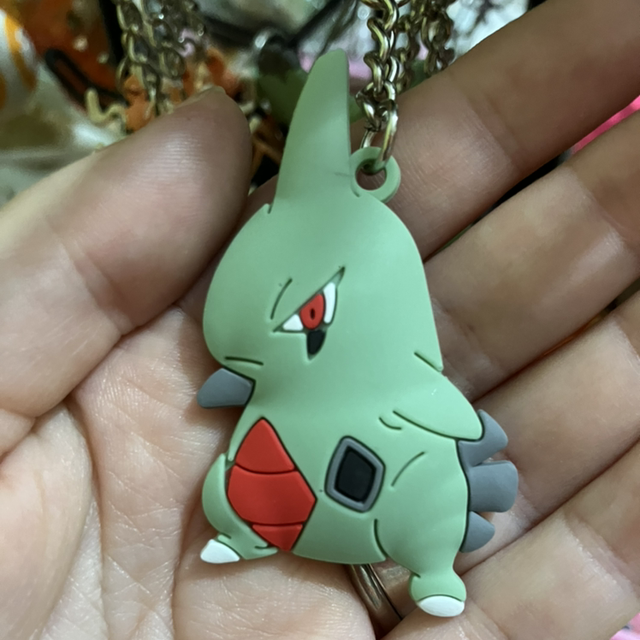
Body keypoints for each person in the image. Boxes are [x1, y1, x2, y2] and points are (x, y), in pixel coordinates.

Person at [1, 0, 639, 638]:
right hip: (278, 489)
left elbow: (442, 414)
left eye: (306, 312)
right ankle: (250, 533)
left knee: (424, 492)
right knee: (236, 484)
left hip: (393, 485)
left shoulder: (400, 361)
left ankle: (433, 567)